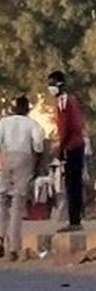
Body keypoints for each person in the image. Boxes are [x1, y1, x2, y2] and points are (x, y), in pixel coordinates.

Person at [0, 95, 44, 261]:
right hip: (24, 159)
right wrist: (36, 168)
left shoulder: (4, 122)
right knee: (17, 205)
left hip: (6, 158)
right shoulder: (32, 124)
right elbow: (38, 146)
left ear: (14, 108)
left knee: (2, 201)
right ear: (28, 109)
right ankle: (13, 248)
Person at [48, 70, 86, 232]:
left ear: (60, 84)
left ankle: (74, 221)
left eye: (52, 84)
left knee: (72, 184)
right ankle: (75, 219)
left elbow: (67, 127)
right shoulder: (69, 100)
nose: (50, 87)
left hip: (72, 146)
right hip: (74, 145)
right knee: (73, 183)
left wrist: (61, 147)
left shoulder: (64, 101)